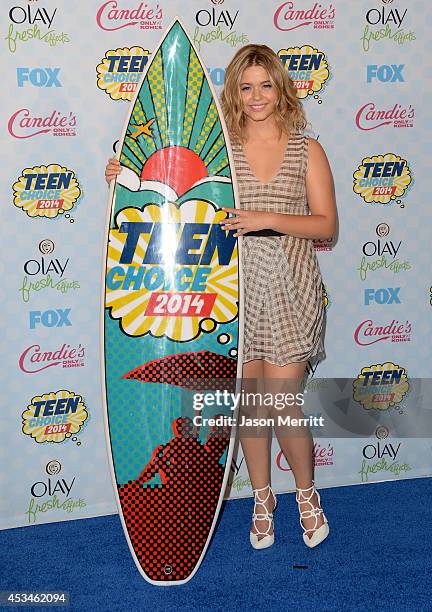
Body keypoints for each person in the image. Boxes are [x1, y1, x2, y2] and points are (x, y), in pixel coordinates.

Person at [105, 44, 337, 551]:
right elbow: (170, 185)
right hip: (230, 286)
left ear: (282, 87)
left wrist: (265, 220)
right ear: (234, 91)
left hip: (289, 283)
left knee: (283, 404)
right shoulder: (221, 148)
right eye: (246, 86)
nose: (256, 96)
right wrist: (125, 180)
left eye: (266, 84)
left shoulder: (306, 149)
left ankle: (305, 494)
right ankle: (261, 498)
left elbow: (327, 225)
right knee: (250, 407)